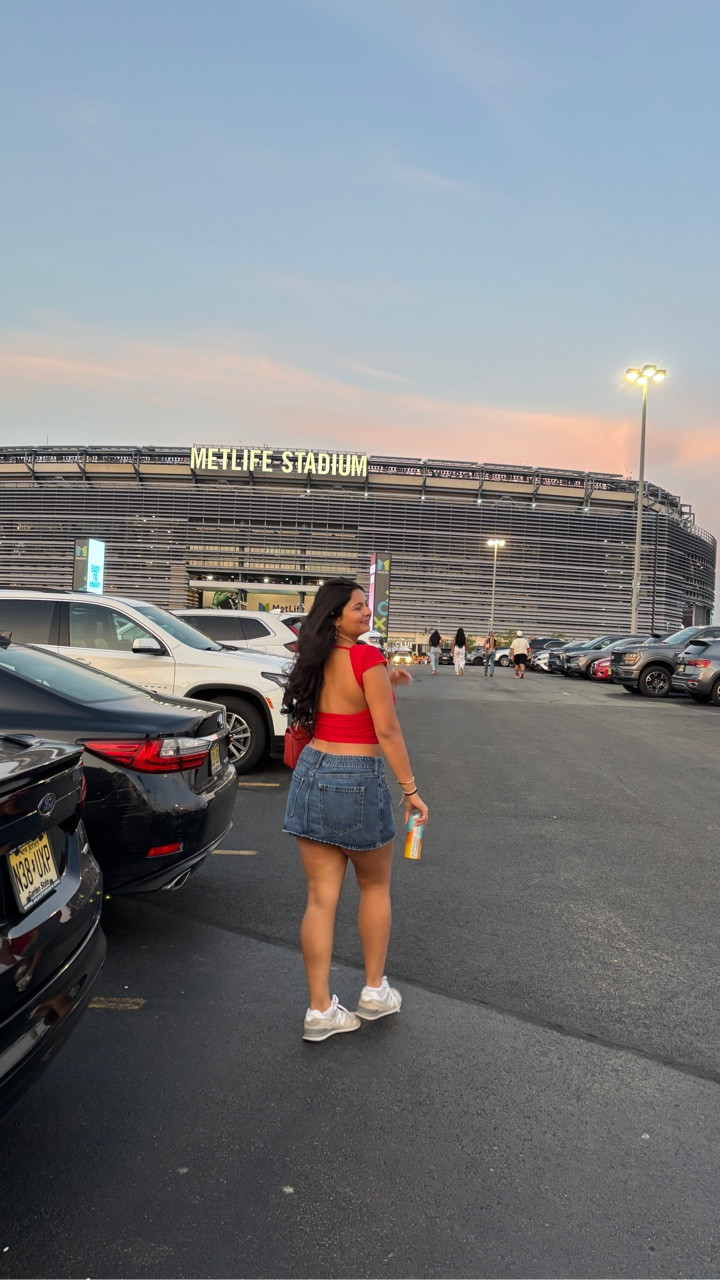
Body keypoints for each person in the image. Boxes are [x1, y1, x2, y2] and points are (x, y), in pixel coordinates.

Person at [281, 578, 429, 1043]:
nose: (368, 613)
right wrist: (411, 790)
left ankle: (320, 1010)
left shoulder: (315, 658)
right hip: (357, 776)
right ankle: (372, 992)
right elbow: (386, 730)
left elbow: (345, 702)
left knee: (320, 901)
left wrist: (390, 678)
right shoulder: (367, 658)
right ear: (335, 616)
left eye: (366, 606)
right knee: (374, 886)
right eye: (359, 608)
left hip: (312, 769)